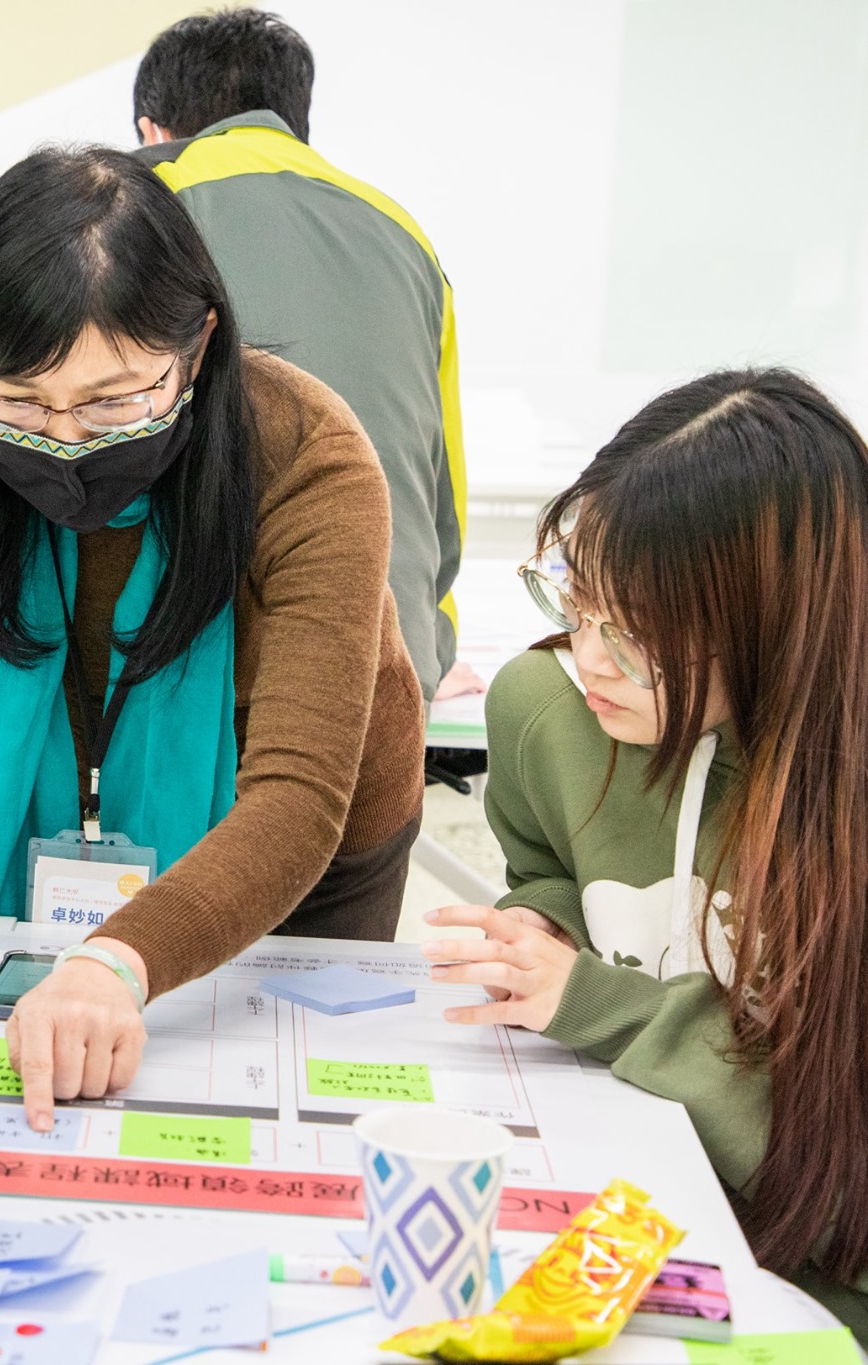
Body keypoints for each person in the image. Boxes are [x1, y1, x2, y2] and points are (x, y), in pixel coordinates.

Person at [0, 147, 424, 1130]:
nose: (64, 441)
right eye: (19, 400)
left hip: (299, 849)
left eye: (113, 400)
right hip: (54, 842)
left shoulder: (303, 454)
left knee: (260, 1116)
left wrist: (117, 959)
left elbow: (298, 796)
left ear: (197, 349)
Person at [424, 370, 868, 1335]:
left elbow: (843, 1198)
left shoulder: (842, 800)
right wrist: (545, 922)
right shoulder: (548, 712)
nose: (590, 658)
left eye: (637, 634)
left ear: (778, 626)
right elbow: (557, 867)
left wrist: (601, 1001)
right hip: (616, 1226)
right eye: (578, 604)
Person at [132, 9, 469, 702]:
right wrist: (429, 647)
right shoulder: (405, 234)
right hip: (388, 665)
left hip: (198, 677)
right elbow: (444, 497)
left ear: (152, 131)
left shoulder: (138, 206)